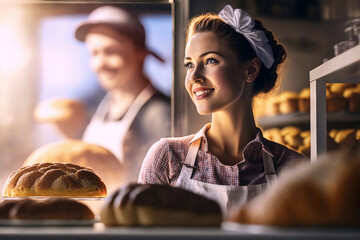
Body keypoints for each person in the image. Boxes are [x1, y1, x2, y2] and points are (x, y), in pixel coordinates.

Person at [138, 5, 304, 216]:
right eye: (189, 64)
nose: (195, 76)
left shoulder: (293, 167)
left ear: (250, 70)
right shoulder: (168, 157)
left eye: (210, 61)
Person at [74, 6, 171, 183]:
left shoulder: (159, 114)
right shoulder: (98, 108)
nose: (99, 63)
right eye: (94, 53)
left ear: (140, 53)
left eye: (110, 52)